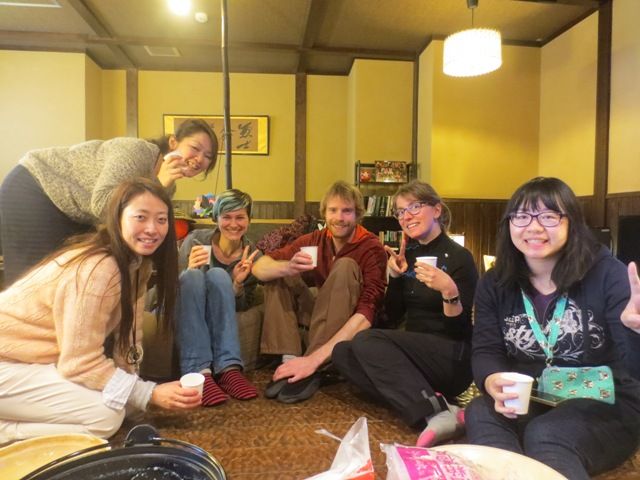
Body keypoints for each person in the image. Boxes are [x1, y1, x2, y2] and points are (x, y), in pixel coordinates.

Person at [0, 178, 200, 444]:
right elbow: (79, 363)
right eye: (140, 217)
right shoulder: (99, 269)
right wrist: (148, 393)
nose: (152, 228)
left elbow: (129, 340)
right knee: (105, 416)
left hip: (27, 363)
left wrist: (136, 400)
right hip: (8, 364)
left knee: (118, 404)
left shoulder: (137, 265)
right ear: (117, 219)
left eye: (161, 220)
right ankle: (6, 432)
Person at [465, 177, 640, 479]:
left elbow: (633, 368)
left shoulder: (608, 274)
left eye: (548, 216)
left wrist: (635, 334)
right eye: (522, 216)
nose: (533, 227)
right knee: (481, 411)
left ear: (572, 222)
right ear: (509, 224)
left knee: (547, 434)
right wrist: (492, 379)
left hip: (606, 400)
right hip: (535, 395)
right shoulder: (495, 282)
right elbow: (486, 348)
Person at [332, 180, 478, 447]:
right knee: (342, 353)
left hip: (451, 357)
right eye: (400, 211)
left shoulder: (460, 257)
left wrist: (448, 291)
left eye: (414, 207)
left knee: (366, 340)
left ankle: (433, 413)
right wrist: (394, 277)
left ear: (436, 210)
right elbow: (392, 316)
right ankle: (440, 405)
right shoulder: (407, 255)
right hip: (413, 356)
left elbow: (460, 331)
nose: (406, 216)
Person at [0, 118, 218, 285]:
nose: (200, 159)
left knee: (75, 281)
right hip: (35, 187)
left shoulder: (168, 184)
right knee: (35, 285)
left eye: (208, 156)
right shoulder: (137, 152)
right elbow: (103, 204)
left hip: (72, 212)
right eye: (195, 148)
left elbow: (137, 224)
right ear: (173, 142)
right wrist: (159, 183)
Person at [251, 180, 387, 403]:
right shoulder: (316, 239)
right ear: (324, 213)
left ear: (358, 214)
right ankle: (289, 359)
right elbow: (260, 266)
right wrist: (287, 267)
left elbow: (368, 311)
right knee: (279, 272)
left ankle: (316, 365)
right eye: (333, 210)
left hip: (351, 322)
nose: (339, 218)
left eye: (347, 211)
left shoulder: (371, 247)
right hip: (320, 313)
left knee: (345, 266)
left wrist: (313, 360)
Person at [176, 189, 261, 406]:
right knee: (193, 276)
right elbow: (171, 287)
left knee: (219, 275)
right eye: (226, 217)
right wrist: (187, 269)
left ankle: (228, 369)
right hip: (188, 301)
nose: (233, 224)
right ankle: (198, 372)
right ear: (216, 218)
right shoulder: (195, 240)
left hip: (219, 306)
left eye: (240, 217)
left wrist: (237, 283)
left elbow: (241, 306)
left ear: (249, 220)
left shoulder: (252, 254)